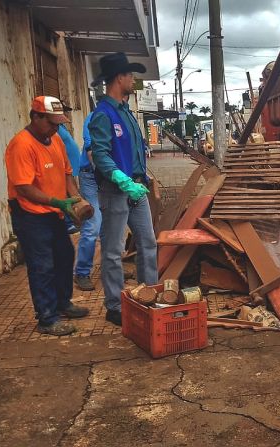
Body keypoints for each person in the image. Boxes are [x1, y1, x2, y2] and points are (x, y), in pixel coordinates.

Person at [5, 96, 90, 336]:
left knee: (65, 256)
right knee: (42, 266)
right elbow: (24, 187)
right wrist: (57, 202)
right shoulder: (21, 145)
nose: (56, 128)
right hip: (30, 215)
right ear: (36, 116)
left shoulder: (55, 141)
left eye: (58, 124)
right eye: (52, 123)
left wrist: (75, 201)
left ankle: (62, 303)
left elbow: (66, 174)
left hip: (54, 213)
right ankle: (47, 318)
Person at [89, 53, 157, 326]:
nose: (133, 80)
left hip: (136, 190)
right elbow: (101, 155)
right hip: (116, 190)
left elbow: (135, 150)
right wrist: (122, 179)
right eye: (131, 76)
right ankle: (114, 306)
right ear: (119, 78)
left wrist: (141, 178)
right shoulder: (102, 115)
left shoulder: (126, 111)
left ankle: (148, 294)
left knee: (148, 243)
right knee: (113, 251)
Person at [73, 110, 100, 291]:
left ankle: (112, 268)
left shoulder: (122, 116)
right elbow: (91, 149)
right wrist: (103, 172)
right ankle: (82, 273)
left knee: (113, 225)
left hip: (111, 178)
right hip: (92, 176)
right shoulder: (93, 118)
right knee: (93, 226)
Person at [57, 121, 82, 233]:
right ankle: (68, 222)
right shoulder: (54, 128)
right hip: (64, 167)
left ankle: (72, 220)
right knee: (65, 194)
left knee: (71, 192)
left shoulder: (61, 126)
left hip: (71, 166)